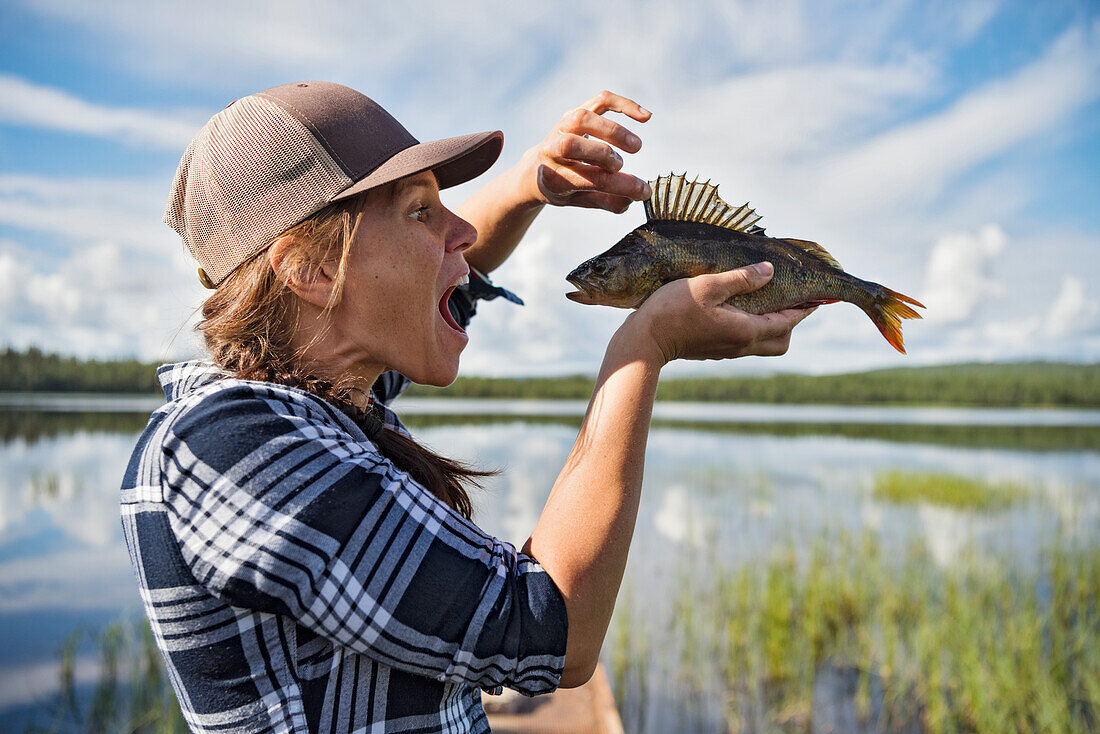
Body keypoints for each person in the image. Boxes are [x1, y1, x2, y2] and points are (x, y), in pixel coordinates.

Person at [120, 81, 813, 734]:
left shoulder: (320, 406)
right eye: (422, 210)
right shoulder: (234, 448)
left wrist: (530, 185)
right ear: (311, 271)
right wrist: (644, 345)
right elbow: (552, 631)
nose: (462, 233)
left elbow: (454, 272)